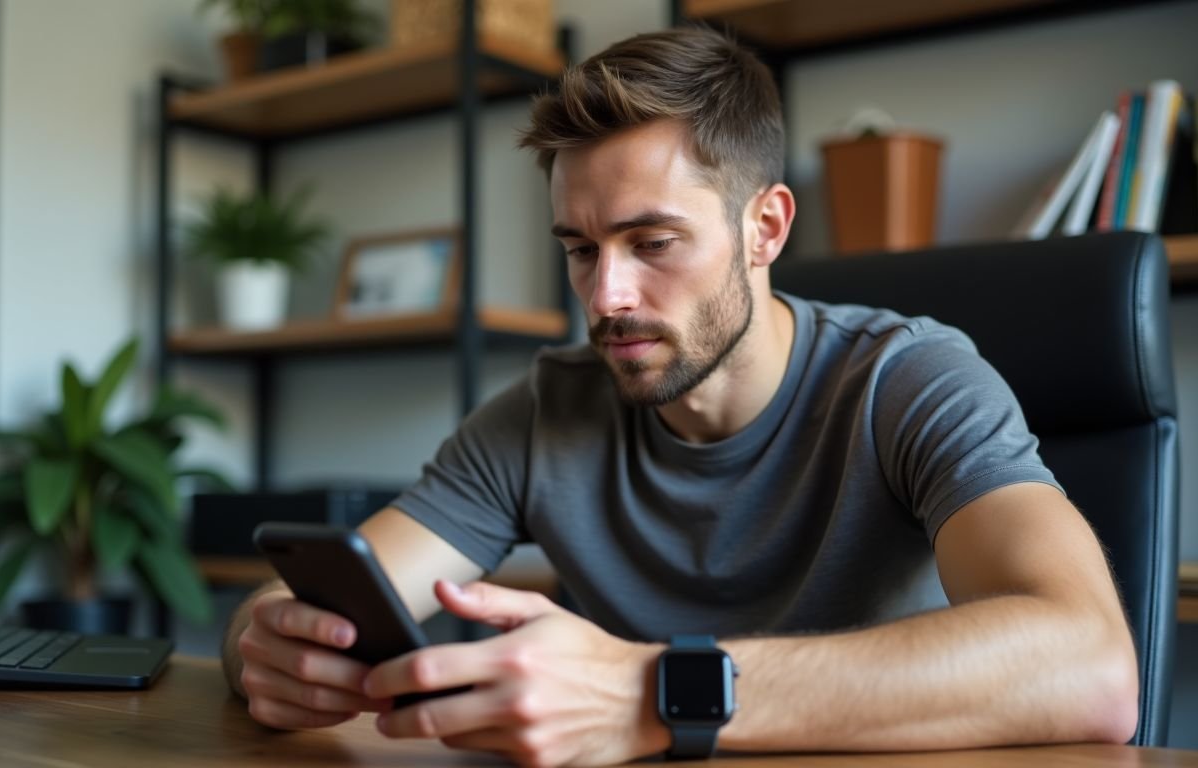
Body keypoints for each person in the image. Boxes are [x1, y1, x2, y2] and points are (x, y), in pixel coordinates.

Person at [221, 26, 1139, 766]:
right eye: (581, 249)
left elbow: (1092, 670)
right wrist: (264, 647)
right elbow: (310, 598)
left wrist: (649, 692)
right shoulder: (548, 411)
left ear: (764, 228)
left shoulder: (909, 382)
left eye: (652, 242)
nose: (604, 296)